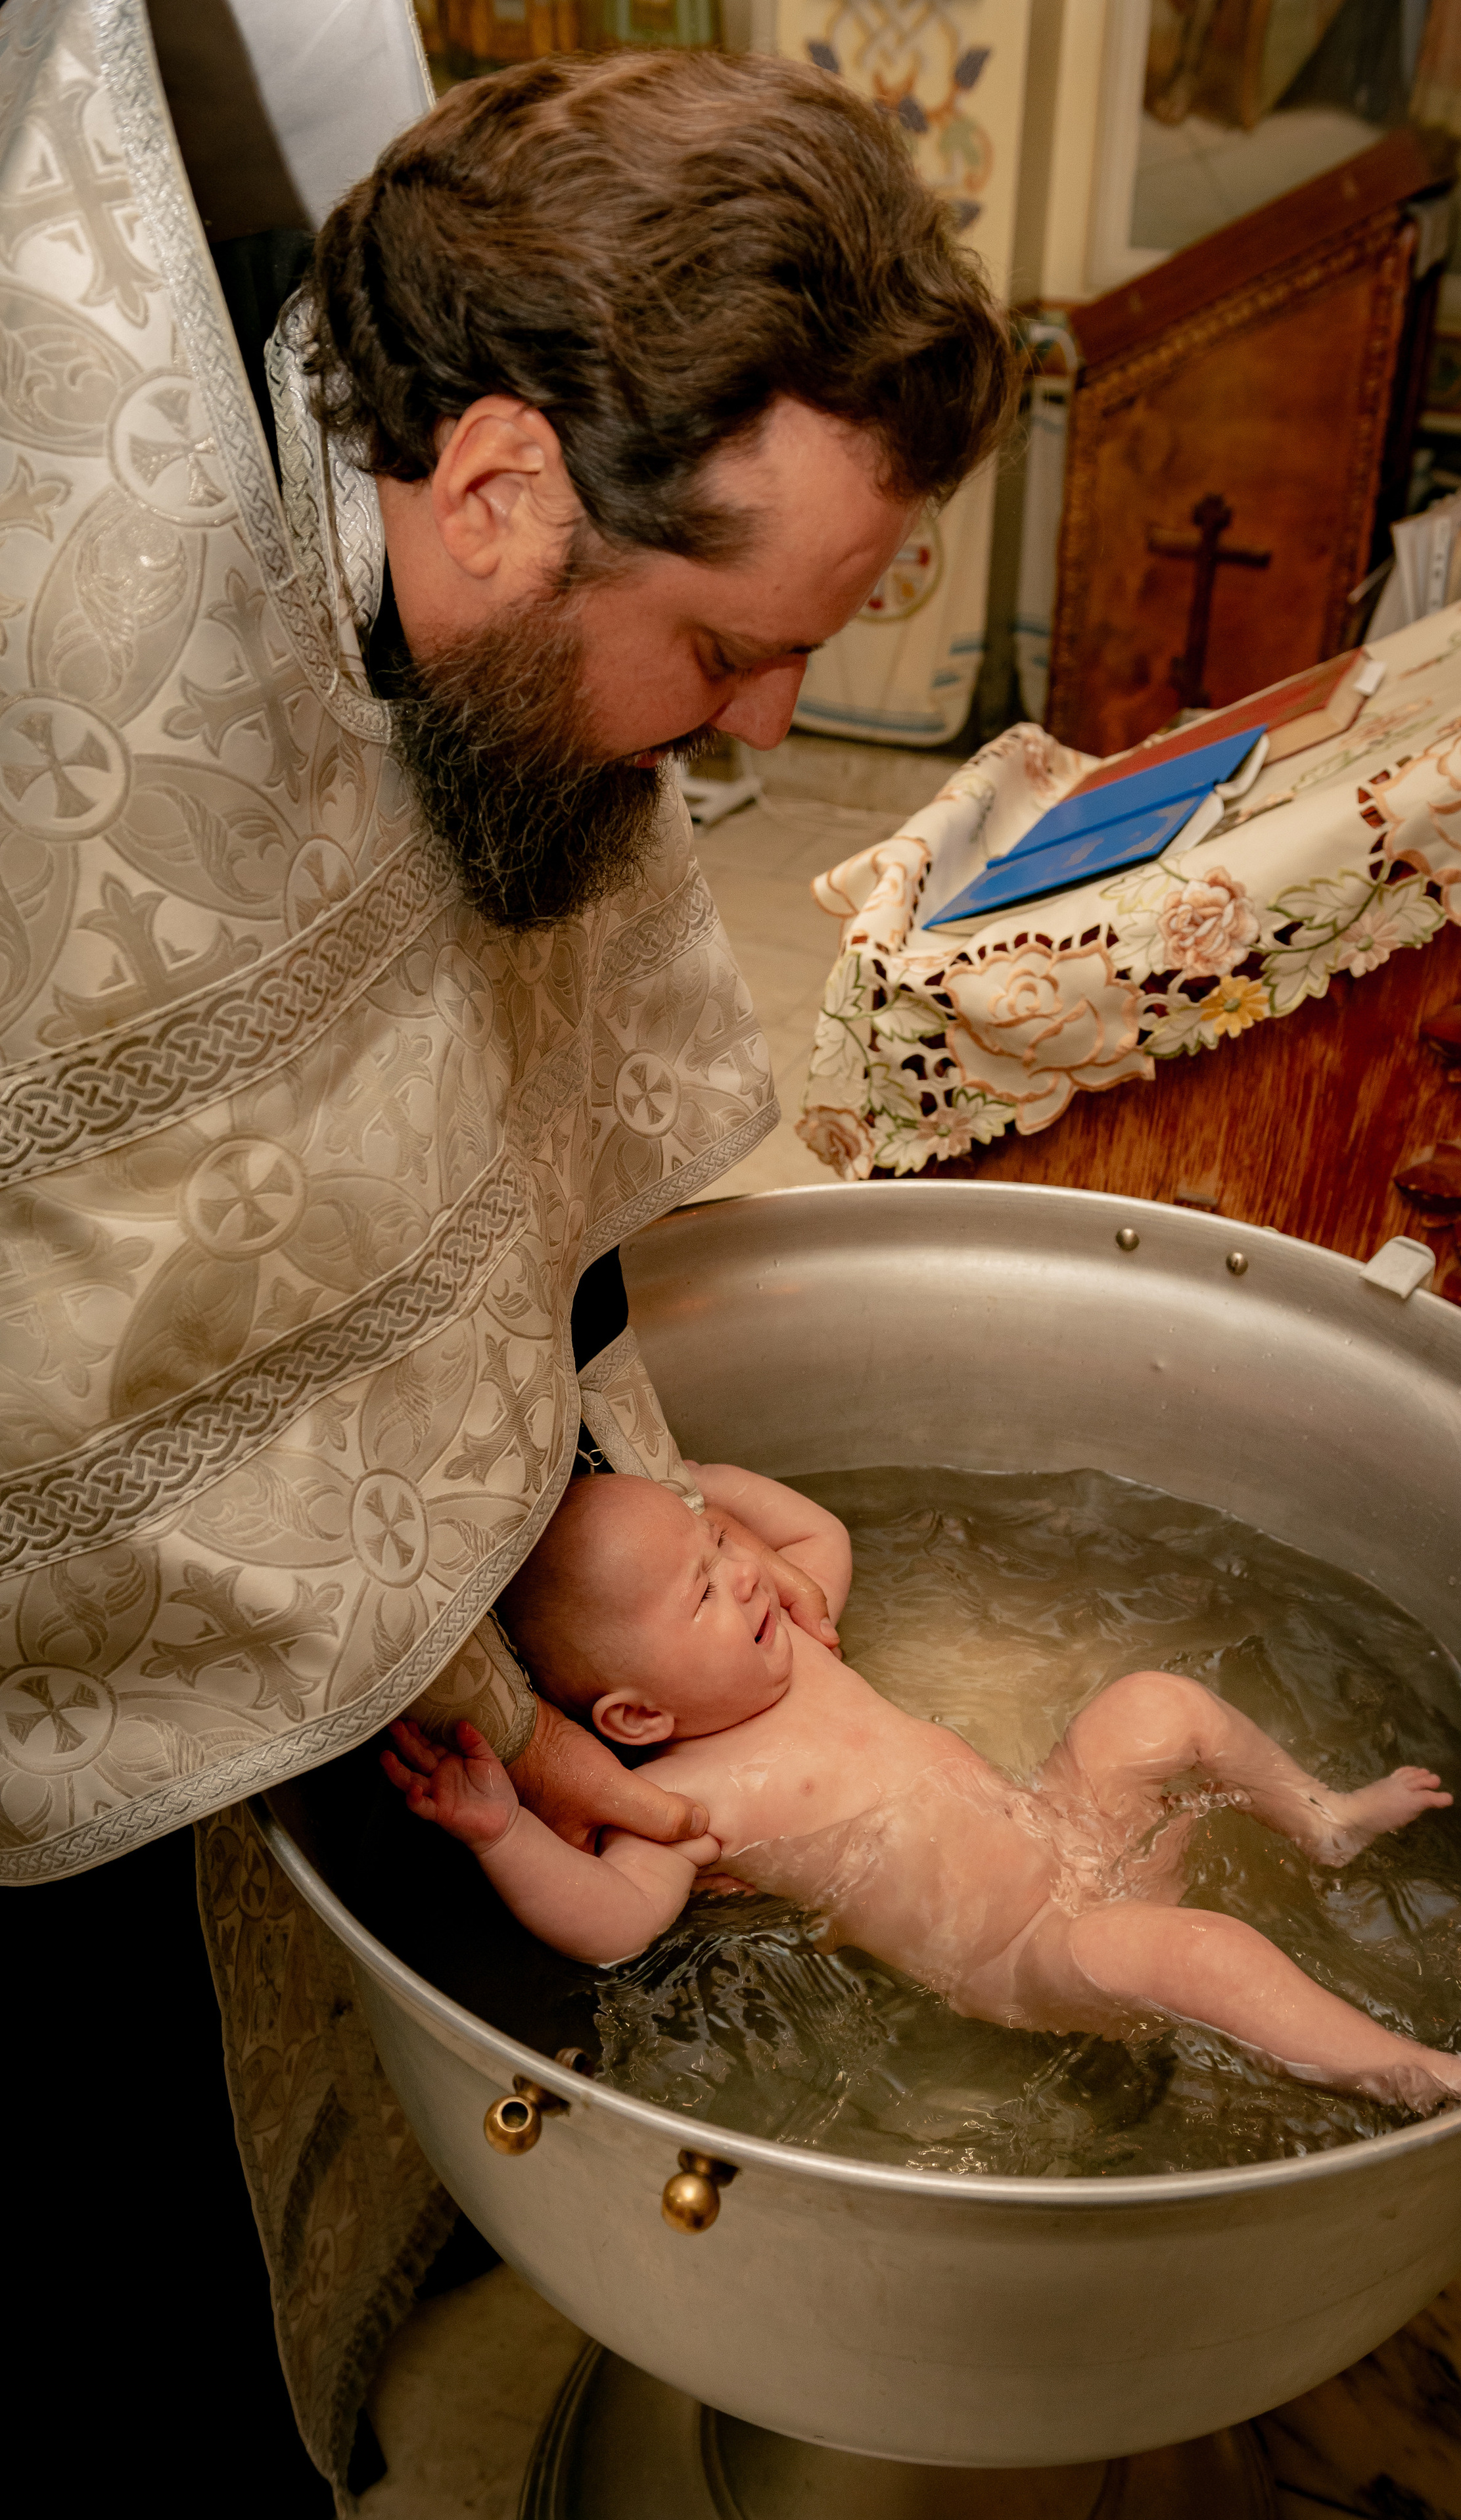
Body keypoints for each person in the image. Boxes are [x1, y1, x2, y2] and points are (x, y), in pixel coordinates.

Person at [1, 12, 1015, 2500]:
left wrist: (596, 1477)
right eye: (734, 647)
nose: (765, 729)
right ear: (492, 483)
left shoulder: (554, 657)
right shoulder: (68, 660)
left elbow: (526, 1123)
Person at [384, 1466, 1461, 2110]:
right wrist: (502, 1835)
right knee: (1197, 1955)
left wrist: (700, 1486)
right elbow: (614, 1922)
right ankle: (1418, 2074)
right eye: (701, 1594)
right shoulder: (696, 1796)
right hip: (1027, 1952)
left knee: (1151, 1704)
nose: (745, 1579)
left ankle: (1315, 1816)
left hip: (1062, 1828)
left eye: (720, 1554)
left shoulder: (797, 1638)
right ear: (638, 1717)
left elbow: (822, 1538)